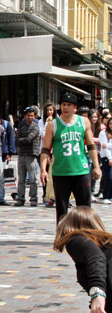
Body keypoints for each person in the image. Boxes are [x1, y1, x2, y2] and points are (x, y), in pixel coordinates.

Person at [40, 93, 101, 222]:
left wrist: (96, 166)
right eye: (63, 104)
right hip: (61, 172)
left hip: (81, 170)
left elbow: (90, 145)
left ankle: (86, 236)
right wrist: (43, 170)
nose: (65, 107)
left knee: (85, 210)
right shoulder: (53, 124)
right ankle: (63, 238)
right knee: (62, 210)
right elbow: (45, 149)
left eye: (69, 105)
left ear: (75, 108)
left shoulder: (83, 121)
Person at [14, 107, 40, 206]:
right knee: (21, 179)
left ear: (34, 116)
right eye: (28, 115)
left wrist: (21, 140)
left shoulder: (35, 127)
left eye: (32, 115)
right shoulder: (23, 128)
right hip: (22, 155)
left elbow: (29, 139)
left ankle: (33, 198)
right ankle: (21, 198)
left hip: (31, 155)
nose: (30, 117)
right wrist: (21, 140)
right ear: (25, 116)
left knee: (33, 179)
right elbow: (16, 141)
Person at [99, 120, 112, 204]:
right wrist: (110, 158)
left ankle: (110, 196)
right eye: (110, 123)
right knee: (109, 177)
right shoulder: (103, 133)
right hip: (106, 158)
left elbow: (106, 145)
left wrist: (108, 145)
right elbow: (104, 147)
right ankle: (106, 195)